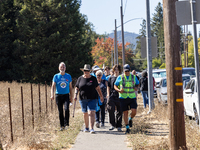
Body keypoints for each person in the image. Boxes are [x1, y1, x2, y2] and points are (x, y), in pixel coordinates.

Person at [74, 64, 104, 134]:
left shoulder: (93, 78)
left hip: (93, 98)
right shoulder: (80, 78)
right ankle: (86, 127)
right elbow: (77, 87)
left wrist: (101, 96)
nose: (86, 72)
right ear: (83, 71)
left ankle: (92, 128)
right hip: (83, 98)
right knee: (85, 113)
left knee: (92, 112)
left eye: (87, 71)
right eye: (85, 71)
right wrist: (75, 95)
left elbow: (98, 88)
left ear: (89, 71)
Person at [114, 64, 139, 134]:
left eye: (128, 71)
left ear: (130, 70)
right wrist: (118, 90)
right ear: (123, 71)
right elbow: (115, 85)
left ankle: (130, 118)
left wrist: (136, 87)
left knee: (134, 111)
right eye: (125, 71)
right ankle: (127, 127)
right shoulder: (120, 77)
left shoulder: (133, 77)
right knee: (125, 112)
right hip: (123, 97)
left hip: (132, 96)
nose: (127, 72)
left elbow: (138, 83)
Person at [51, 62, 73, 131]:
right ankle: (62, 125)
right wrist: (52, 94)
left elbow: (70, 87)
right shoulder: (56, 76)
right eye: (61, 67)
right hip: (58, 96)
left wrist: (71, 96)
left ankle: (67, 124)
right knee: (60, 111)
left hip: (66, 95)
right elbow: (53, 86)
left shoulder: (68, 76)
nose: (62, 68)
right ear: (59, 68)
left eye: (63, 67)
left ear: (65, 68)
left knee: (66, 109)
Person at [107, 64, 122, 132]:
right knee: (111, 109)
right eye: (115, 69)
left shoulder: (122, 77)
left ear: (119, 70)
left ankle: (119, 125)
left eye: (117, 69)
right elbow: (108, 86)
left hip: (120, 96)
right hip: (112, 95)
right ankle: (112, 124)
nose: (116, 71)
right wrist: (108, 94)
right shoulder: (111, 78)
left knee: (120, 111)